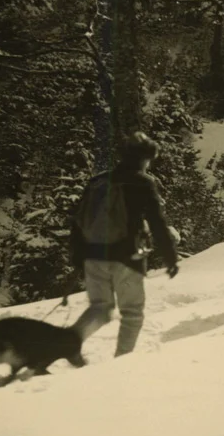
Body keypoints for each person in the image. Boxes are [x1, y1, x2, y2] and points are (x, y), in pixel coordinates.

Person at [70, 132, 179, 357]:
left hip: (93, 255)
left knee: (100, 309)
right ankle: (121, 362)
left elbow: (78, 222)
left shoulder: (98, 181)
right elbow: (157, 222)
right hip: (127, 258)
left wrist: (79, 257)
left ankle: (64, 344)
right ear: (145, 158)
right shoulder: (143, 182)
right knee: (132, 313)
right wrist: (170, 257)